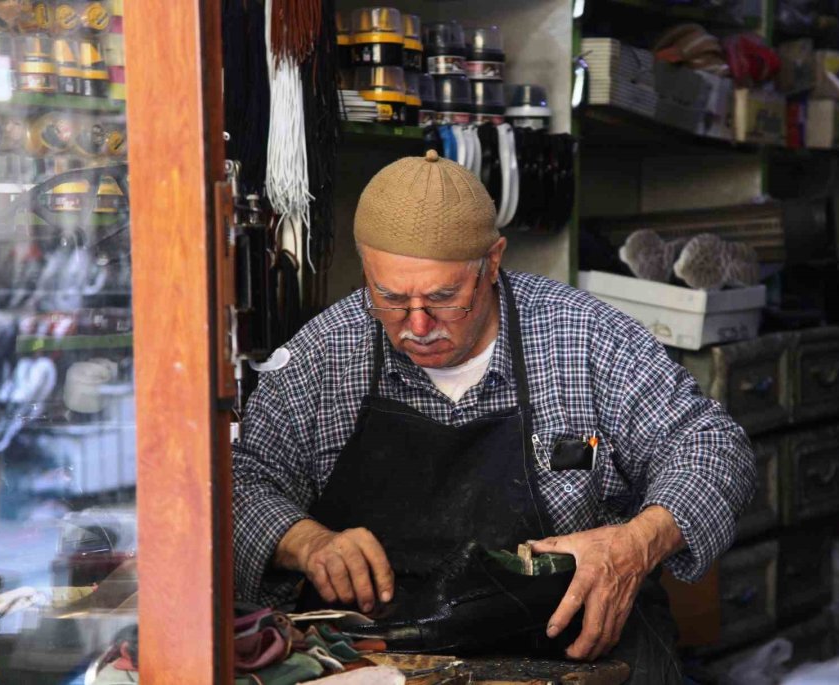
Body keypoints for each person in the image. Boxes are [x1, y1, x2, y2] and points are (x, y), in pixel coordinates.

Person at [232, 150, 756, 682]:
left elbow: (713, 445)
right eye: (389, 298)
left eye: (444, 297)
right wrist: (306, 541)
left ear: (494, 259)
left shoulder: (584, 336)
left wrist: (636, 545)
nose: (417, 324)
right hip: (388, 660)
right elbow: (239, 483)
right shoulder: (324, 355)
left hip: (580, 651)